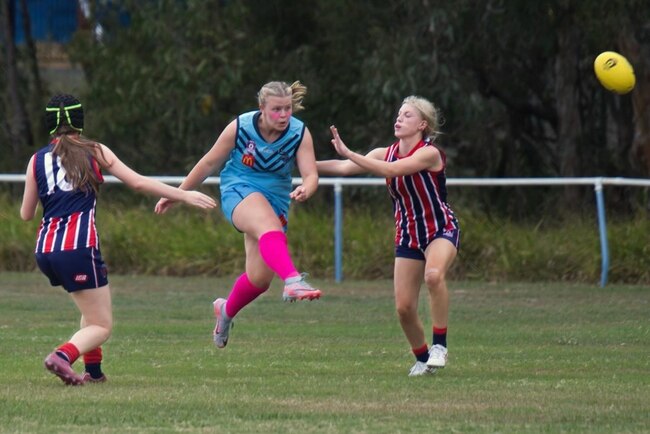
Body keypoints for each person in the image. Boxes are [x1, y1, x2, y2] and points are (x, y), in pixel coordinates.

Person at [20, 94, 217, 385]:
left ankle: (95, 373)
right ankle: (61, 356)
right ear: (80, 121)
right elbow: (137, 182)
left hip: (46, 251)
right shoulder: (94, 150)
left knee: (90, 311)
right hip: (78, 248)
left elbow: (26, 214)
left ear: (50, 124)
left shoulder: (36, 160)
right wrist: (184, 194)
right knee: (102, 325)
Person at [155, 81, 322, 349]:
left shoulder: (299, 132)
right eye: (276, 109)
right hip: (239, 188)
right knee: (270, 227)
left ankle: (226, 311)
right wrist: (178, 193)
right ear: (262, 108)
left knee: (259, 280)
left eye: (287, 109)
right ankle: (292, 280)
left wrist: (307, 188)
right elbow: (209, 161)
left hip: (276, 197)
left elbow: (310, 174)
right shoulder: (242, 126)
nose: (283, 115)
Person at [316, 96, 460, 377]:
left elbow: (393, 170)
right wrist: (300, 162)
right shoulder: (385, 152)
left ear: (422, 125)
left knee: (433, 275)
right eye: (398, 114)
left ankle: (440, 346)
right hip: (408, 236)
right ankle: (422, 358)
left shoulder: (429, 153)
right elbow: (344, 169)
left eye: (407, 115)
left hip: (440, 230)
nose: (399, 118)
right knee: (404, 308)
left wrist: (348, 151)